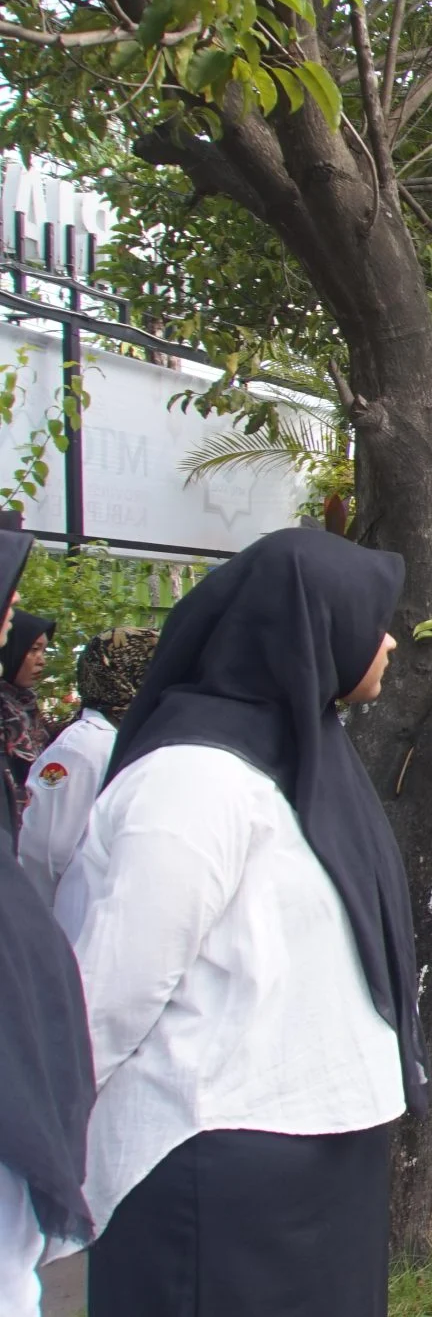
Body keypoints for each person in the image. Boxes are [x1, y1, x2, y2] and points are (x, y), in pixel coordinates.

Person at [77, 528, 420, 1317]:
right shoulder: (193, 781)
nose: (391, 641)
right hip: (215, 1162)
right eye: (372, 620)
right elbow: (109, 993)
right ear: (312, 631)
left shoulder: (305, 755)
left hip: (318, 1152)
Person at [0, 526, 95, 1317]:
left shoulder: (25, 717)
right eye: (18, 625)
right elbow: (45, 846)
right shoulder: (79, 745)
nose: (24, 640)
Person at [19, 626, 156, 925]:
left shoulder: (124, 737)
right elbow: (46, 848)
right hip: (65, 919)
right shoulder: (84, 746)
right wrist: (38, 921)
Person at [0, 609, 57, 803]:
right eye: (33, 649)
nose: (42, 661)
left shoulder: (26, 707)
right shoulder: (5, 712)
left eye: (44, 651)